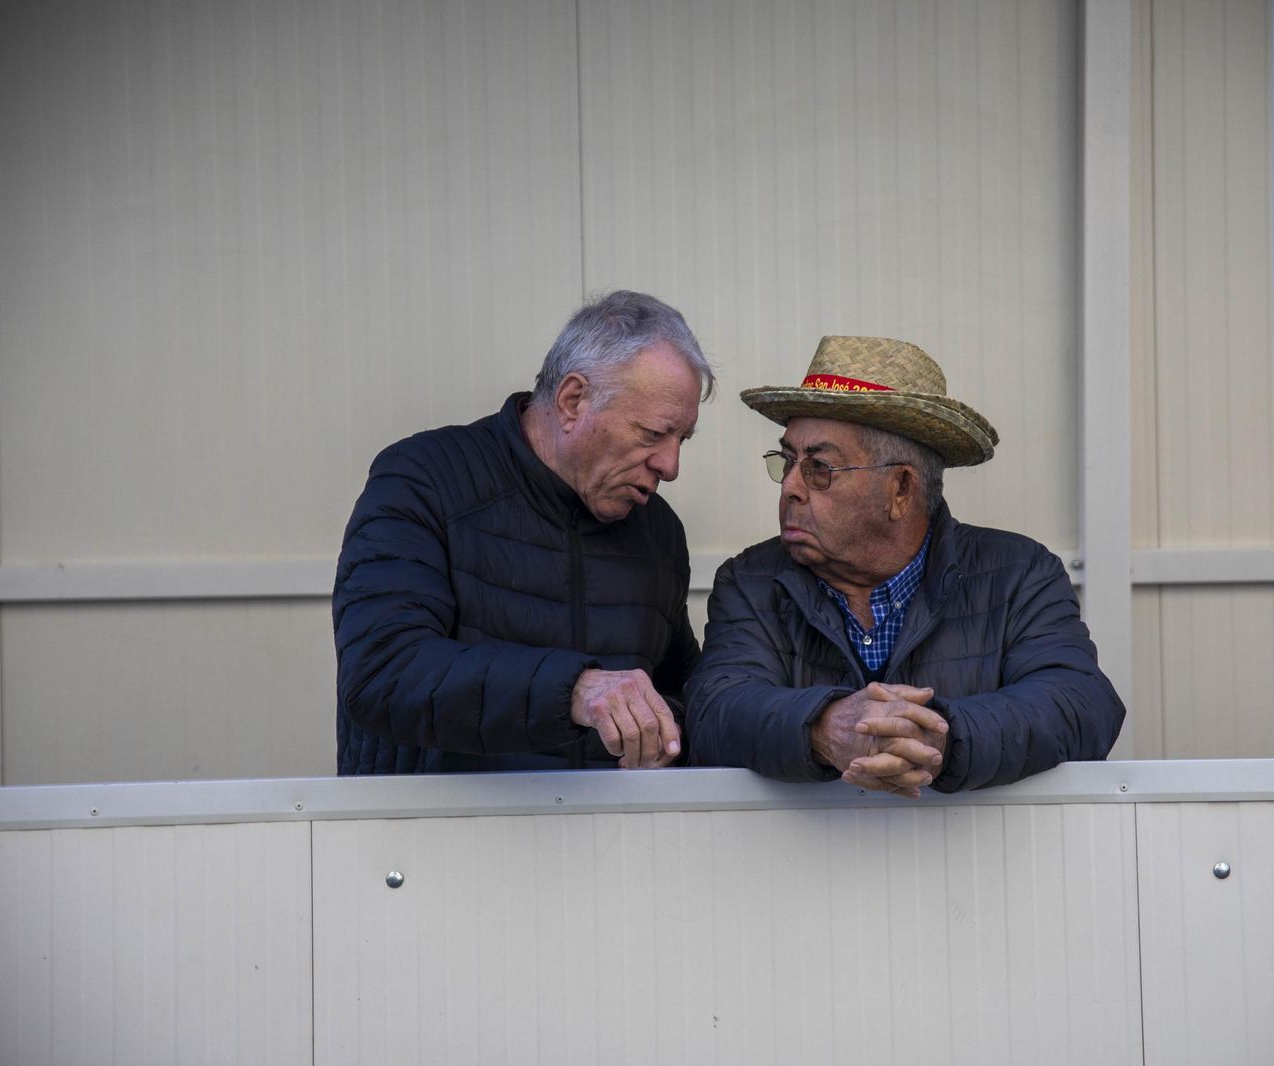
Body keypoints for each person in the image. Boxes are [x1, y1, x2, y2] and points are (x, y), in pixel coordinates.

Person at [684, 335, 1124, 796]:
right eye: (788, 461)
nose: (790, 487)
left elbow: (1082, 704)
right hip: (801, 863)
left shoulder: (1018, 574)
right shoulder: (751, 580)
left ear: (900, 489)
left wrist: (940, 738)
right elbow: (713, 710)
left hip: (975, 861)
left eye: (819, 468)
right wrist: (823, 726)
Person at [334, 291, 714, 774]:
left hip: (606, 841)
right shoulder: (423, 479)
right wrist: (576, 690)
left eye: (682, 439)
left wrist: (665, 731)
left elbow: (682, 691)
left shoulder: (657, 531)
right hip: (430, 836)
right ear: (573, 400)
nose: (670, 465)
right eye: (652, 434)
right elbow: (383, 675)